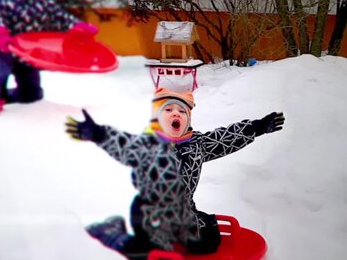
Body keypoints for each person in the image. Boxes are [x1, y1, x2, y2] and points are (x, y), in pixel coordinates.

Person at [65, 88, 285, 259]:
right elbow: (122, 144)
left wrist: (256, 127)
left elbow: (225, 137)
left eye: (182, 111)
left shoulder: (198, 144)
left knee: (207, 244)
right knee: (150, 251)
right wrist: (97, 133)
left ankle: (201, 225)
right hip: (150, 212)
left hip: (184, 210)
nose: (175, 114)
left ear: (187, 119)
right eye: (168, 110)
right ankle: (114, 233)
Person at [0, 0, 98, 114]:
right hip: (3, 44)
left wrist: (79, 26)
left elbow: (58, 15)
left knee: (32, 93)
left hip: (26, 49)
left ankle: (15, 96)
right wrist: (0, 35)